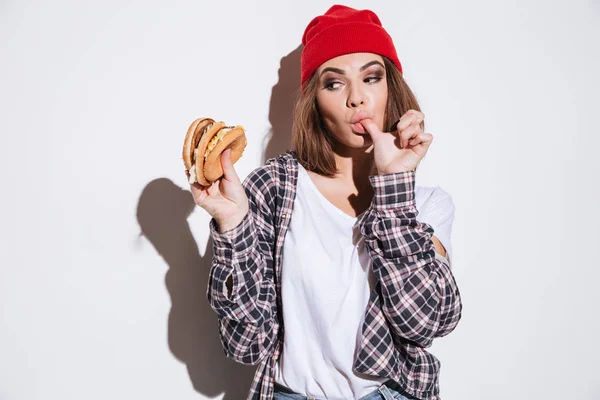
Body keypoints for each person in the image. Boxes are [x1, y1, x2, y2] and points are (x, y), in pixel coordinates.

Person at [187, 5, 462, 400]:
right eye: (334, 83)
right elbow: (246, 344)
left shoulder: (426, 204)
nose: (357, 98)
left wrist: (395, 189)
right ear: (314, 100)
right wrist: (233, 228)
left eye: (371, 77)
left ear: (391, 89)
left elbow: (426, 322)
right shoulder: (275, 190)